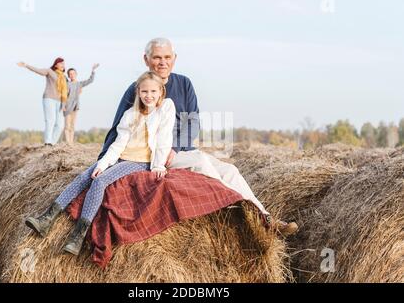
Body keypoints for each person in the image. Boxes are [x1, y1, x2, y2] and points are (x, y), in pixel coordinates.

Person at [97, 37, 298, 236]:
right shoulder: (138, 89)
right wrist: (103, 164)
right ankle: (237, 215)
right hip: (153, 155)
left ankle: (265, 219)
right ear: (146, 59)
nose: (163, 62)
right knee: (202, 161)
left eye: (167, 57)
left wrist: (174, 148)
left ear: (174, 58)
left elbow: (192, 123)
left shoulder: (184, 84)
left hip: (179, 151)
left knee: (230, 170)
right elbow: (118, 128)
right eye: (157, 57)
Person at [25, 71, 176, 255]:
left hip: (140, 162)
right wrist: (102, 165)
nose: (149, 95)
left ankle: (77, 236)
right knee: (85, 176)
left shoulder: (165, 108)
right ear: (138, 92)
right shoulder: (130, 114)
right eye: (145, 91)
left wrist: (159, 165)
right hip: (121, 157)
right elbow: (118, 145)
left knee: (100, 181)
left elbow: (164, 139)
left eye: (153, 91)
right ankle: (46, 219)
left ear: (161, 92)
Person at [17, 58, 67, 146]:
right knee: (50, 121)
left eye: (63, 63)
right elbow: (38, 71)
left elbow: (65, 91)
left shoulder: (63, 77)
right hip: (49, 99)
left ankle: (53, 143)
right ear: (56, 65)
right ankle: (48, 142)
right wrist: (26, 65)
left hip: (60, 102)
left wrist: (64, 103)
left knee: (60, 125)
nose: (63, 65)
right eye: (61, 63)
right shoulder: (49, 71)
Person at [64, 64, 100, 144]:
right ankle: (67, 143)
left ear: (76, 74)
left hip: (75, 107)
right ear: (68, 76)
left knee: (72, 126)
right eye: (70, 74)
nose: (72, 75)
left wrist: (93, 71)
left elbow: (90, 80)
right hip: (67, 107)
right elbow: (63, 95)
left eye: (73, 73)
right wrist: (63, 106)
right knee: (67, 126)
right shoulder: (67, 84)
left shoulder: (79, 84)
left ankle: (71, 143)